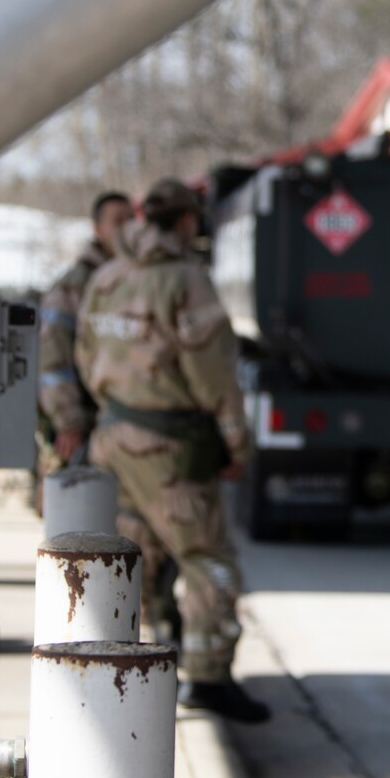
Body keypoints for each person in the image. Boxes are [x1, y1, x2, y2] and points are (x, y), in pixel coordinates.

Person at [75, 177, 270, 724]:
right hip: (170, 447)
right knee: (207, 560)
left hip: (113, 439)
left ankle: (111, 667)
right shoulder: (186, 281)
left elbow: (87, 358)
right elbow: (214, 376)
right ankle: (208, 678)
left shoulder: (108, 276)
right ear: (187, 221)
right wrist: (236, 442)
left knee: (128, 558)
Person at [37, 190, 133, 481]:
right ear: (98, 229)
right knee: (79, 509)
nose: (127, 228)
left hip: (121, 424)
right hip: (83, 425)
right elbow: (53, 355)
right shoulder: (74, 287)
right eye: (118, 221)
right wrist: (68, 421)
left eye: (131, 219)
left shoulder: (135, 278)